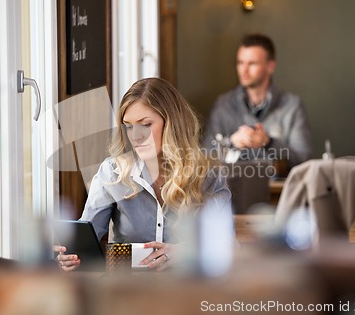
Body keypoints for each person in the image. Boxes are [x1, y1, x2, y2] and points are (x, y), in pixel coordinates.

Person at [55, 77, 234, 272]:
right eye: (129, 126)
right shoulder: (112, 172)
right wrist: (69, 256)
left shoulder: (207, 174)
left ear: (172, 123)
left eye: (146, 124)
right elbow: (86, 237)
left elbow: (227, 245)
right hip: (128, 289)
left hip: (186, 288)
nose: (136, 136)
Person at [204, 33, 312, 169]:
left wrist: (269, 143)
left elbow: (304, 160)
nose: (244, 70)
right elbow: (204, 158)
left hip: (280, 190)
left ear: (270, 66)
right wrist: (231, 142)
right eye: (240, 63)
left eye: (252, 63)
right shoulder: (222, 105)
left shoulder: (292, 106)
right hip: (233, 189)